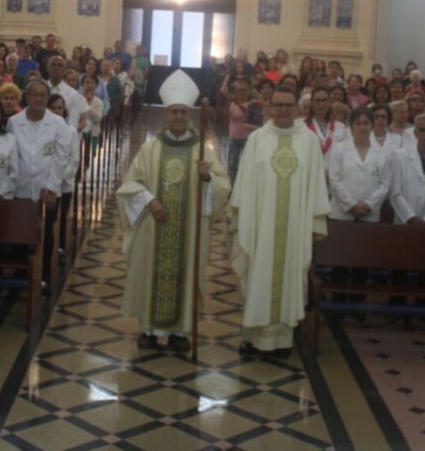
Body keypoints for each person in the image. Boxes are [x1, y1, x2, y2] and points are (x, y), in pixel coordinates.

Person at [116, 70, 230, 352]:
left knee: (186, 270)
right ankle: (149, 330)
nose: (179, 116)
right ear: (166, 114)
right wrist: (150, 201)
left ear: (190, 115)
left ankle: (181, 331)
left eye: (183, 111)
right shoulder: (150, 149)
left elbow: (223, 186)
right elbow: (130, 184)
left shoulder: (203, 151)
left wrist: (208, 178)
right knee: (150, 271)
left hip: (188, 229)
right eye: (174, 112)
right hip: (153, 226)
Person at [230, 84, 328, 357]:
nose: (283, 110)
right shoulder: (257, 139)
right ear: (269, 107)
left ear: (296, 107)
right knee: (258, 275)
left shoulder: (309, 141)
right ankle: (252, 336)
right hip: (260, 227)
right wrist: (243, 219)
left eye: (288, 105)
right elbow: (244, 184)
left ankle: (282, 340)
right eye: (278, 105)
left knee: (289, 278)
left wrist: (312, 224)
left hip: (293, 229)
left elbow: (316, 185)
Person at [7, 80, 71, 293]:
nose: (38, 99)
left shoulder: (58, 123)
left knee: (45, 234)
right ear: (26, 96)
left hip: (46, 187)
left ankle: (43, 276)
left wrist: (53, 189)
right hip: (20, 187)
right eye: (34, 95)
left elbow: (61, 158)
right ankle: (19, 274)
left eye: (43, 95)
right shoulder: (14, 122)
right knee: (19, 232)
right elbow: (10, 154)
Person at [327, 107, 391, 303]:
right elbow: (335, 180)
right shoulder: (339, 149)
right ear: (351, 126)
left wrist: (369, 205)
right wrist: (351, 204)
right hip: (342, 213)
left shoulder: (382, 152)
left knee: (361, 262)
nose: (362, 127)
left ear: (372, 126)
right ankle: (338, 302)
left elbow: (385, 183)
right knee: (341, 262)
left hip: (368, 214)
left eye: (366, 123)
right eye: (358, 123)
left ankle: (357, 304)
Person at [47, 95, 81, 264]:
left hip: (63, 184)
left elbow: (74, 159)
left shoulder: (71, 131)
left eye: (60, 108)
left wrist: (58, 178)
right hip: (43, 183)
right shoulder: (43, 129)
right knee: (46, 222)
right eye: (53, 108)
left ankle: (60, 247)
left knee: (57, 218)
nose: (56, 111)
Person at [304, 86, 347, 160]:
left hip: (334, 170)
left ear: (330, 102)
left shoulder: (340, 127)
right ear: (311, 103)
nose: (321, 104)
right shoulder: (302, 125)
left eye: (324, 100)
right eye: (317, 100)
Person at [47, 56, 87, 131]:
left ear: (63, 69)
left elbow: (72, 121)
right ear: (48, 68)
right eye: (53, 65)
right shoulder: (40, 90)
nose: (56, 68)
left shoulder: (73, 94)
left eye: (59, 65)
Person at [80, 74, 105, 152]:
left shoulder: (99, 102)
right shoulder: (78, 98)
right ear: (82, 84)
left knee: (90, 156)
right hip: (79, 132)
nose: (90, 85)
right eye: (87, 83)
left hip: (93, 133)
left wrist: (88, 104)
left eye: (92, 83)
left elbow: (97, 119)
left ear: (96, 85)